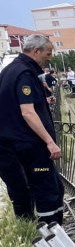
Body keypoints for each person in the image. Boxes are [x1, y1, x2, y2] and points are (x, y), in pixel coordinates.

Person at [0, 34, 64, 225]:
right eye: (48, 53)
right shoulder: (25, 74)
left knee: (27, 190)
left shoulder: (10, 70)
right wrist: (50, 142)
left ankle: (29, 227)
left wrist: (42, 101)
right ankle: (52, 233)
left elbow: (13, 104)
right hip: (29, 145)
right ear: (36, 51)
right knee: (48, 190)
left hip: (12, 144)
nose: (50, 57)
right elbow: (27, 113)